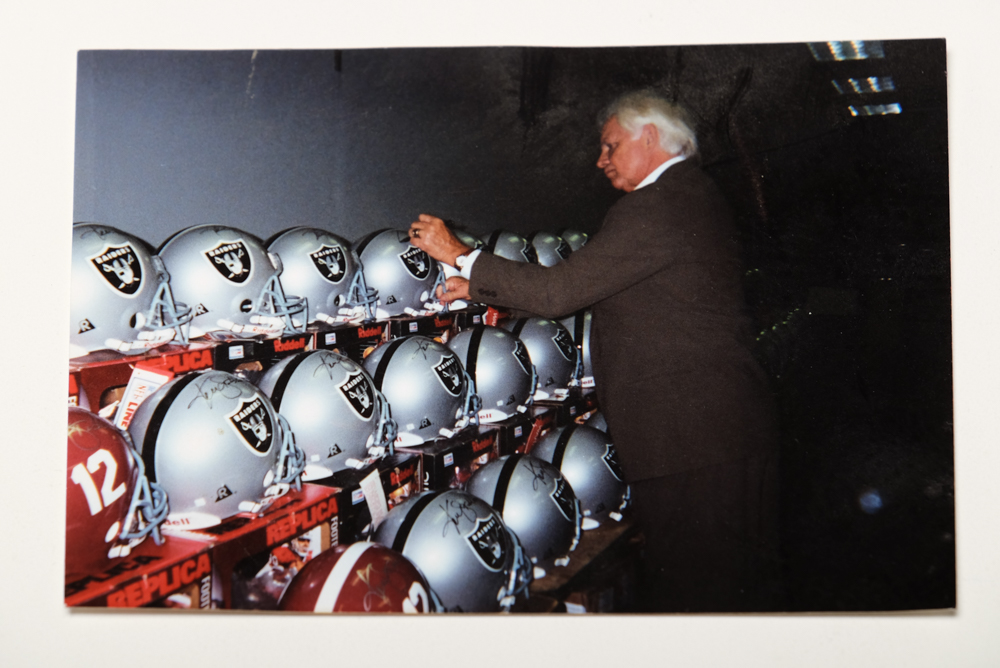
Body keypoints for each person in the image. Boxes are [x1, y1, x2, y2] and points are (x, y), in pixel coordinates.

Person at [408, 90, 780, 612]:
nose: (598, 159)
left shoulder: (659, 205)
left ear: (649, 136)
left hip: (692, 444)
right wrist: (477, 288)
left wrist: (461, 255)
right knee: (724, 587)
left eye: (609, 145)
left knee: (699, 596)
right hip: (712, 436)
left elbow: (559, 294)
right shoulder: (689, 196)